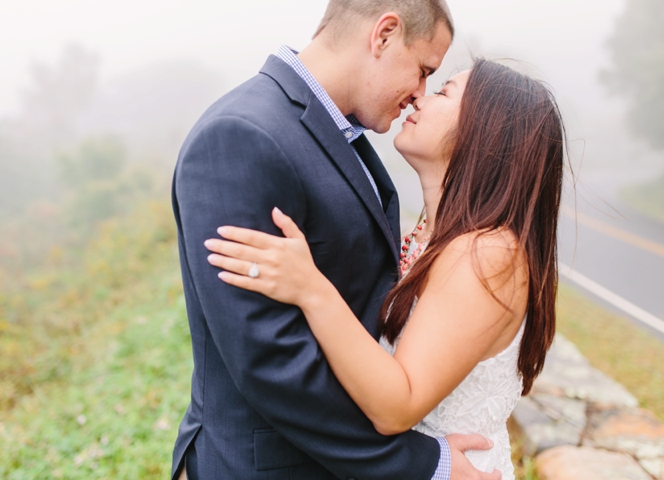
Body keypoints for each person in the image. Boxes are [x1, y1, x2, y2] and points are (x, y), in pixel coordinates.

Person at [171, 0, 502, 479]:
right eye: (423, 70)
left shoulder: (342, 134)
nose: (419, 94)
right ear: (384, 34)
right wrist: (423, 464)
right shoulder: (243, 135)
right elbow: (270, 357)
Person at [204, 59, 565, 480]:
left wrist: (310, 288)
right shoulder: (437, 235)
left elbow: (398, 405)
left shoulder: (487, 252)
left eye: (444, 92)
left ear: (486, 131)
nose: (419, 97)